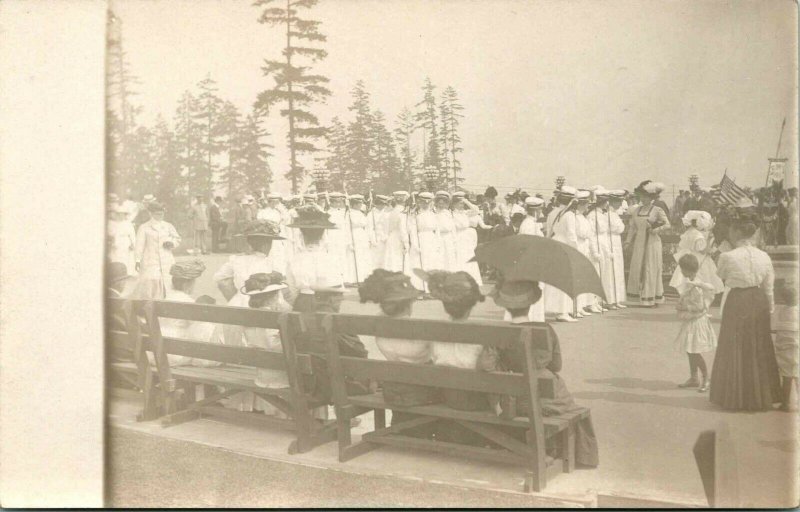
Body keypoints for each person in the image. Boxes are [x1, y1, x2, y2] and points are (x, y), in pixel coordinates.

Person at [491, 278, 599, 467]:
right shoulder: (545, 330)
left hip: (518, 401)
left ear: (506, 306)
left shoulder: (501, 333)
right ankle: (573, 454)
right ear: (532, 303)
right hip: (548, 399)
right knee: (569, 407)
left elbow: (490, 364)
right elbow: (556, 365)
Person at [710, 216, 781, 411]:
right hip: (758, 301)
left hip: (738, 300)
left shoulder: (728, 256)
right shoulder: (764, 256)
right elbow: (769, 287)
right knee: (759, 345)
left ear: (738, 233)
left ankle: (734, 396)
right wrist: (771, 307)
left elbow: (721, 277)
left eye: (732, 231)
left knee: (735, 346)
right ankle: (760, 395)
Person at [358, 270, 440, 432]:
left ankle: (403, 428)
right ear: (408, 304)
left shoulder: (378, 324)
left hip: (393, 389)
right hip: (422, 390)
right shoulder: (419, 331)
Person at [227, 272, 293, 415]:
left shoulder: (249, 317)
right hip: (284, 377)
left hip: (262, 376)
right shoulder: (277, 318)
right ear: (275, 297)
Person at [151, 260, 220, 368]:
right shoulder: (188, 302)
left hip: (154, 352)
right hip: (174, 355)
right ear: (187, 283)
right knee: (205, 327)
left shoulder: (163, 298)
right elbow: (202, 332)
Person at [285, 205, 344, 308]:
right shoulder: (332, 259)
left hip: (302, 304)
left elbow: (292, 292)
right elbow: (338, 290)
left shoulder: (295, 260)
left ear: (302, 237)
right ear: (322, 237)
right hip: (325, 307)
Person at [673, 254, 716, 392]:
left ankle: (706, 378)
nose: (681, 271)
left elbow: (700, 307)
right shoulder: (691, 282)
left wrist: (683, 307)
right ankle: (694, 378)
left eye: (682, 269)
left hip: (697, 321)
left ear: (688, 270)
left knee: (695, 351)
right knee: (689, 350)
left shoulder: (697, 285)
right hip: (691, 321)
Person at [625, 181, 669, 307]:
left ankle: (651, 297)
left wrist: (655, 229)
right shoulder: (636, 210)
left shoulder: (657, 210)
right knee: (638, 267)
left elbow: (667, 224)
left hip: (652, 242)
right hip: (639, 242)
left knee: (650, 268)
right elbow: (632, 228)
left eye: (646, 197)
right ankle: (639, 296)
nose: (643, 199)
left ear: (651, 198)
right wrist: (628, 241)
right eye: (642, 197)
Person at [669, 211, 724, 296]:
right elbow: (703, 251)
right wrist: (709, 240)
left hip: (688, 257)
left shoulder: (689, 232)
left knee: (686, 278)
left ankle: (688, 294)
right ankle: (697, 296)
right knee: (700, 278)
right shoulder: (698, 236)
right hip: (698, 259)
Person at [132, 202, 181, 299]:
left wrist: (172, 243)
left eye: (162, 214)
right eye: (158, 214)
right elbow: (139, 245)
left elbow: (177, 238)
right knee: (153, 284)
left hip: (166, 259)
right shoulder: (144, 227)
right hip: (151, 260)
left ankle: (168, 304)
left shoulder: (168, 226)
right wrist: (137, 260)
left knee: (168, 282)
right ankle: (152, 306)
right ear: (151, 213)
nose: (160, 216)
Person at [544, 186, 579, 322]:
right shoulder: (569, 215)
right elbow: (571, 235)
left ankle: (555, 308)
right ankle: (563, 311)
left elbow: (548, 231)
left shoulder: (552, 212)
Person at [586, 187, 615, 311]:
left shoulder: (602, 214)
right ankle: (592, 302)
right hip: (596, 245)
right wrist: (594, 251)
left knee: (604, 273)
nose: (607, 204)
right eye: (605, 201)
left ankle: (598, 300)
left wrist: (608, 250)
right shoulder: (592, 215)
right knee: (596, 273)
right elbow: (591, 234)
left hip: (603, 244)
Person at [408, 192, 442, 290]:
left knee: (432, 263)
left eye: (427, 203)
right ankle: (419, 289)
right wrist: (415, 244)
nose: (425, 205)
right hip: (420, 239)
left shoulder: (434, 215)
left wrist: (438, 243)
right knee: (419, 264)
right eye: (423, 202)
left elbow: (437, 230)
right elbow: (413, 231)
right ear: (419, 203)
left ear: (431, 203)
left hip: (432, 240)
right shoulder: (415, 215)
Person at [574, 190, 601, 317]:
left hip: (585, 248)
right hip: (579, 247)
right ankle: (577, 307)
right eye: (586, 205)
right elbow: (582, 233)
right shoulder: (575, 217)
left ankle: (582, 305)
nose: (587, 207)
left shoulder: (583, 217)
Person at [773, 283, 799, 411]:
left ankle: (786, 403)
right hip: (797, 347)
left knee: (786, 378)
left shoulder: (782, 311)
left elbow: (777, 329)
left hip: (785, 349)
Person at [451, 191, 487, 285]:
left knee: (469, 258)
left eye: (462, 203)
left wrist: (466, 201)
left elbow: (476, 210)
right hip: (458, 237)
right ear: (454, 203)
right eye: (460, 203)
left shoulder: (466, 213)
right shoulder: (451, 214)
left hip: (467, 239)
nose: (462, 205)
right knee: (460, 258)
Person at [343, 194, 373, 286]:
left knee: (362, 257)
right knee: (354, 257)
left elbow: (366, 225)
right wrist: (349, 242)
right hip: (354, 235)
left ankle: (362, 277)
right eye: (358, 203)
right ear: (353, 204)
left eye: (361, 203)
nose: (360, 205)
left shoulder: (361, 213)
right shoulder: (349, 214)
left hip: (362, 235)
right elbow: (347, 228)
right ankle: (353, 279)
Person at [607, 190, 627, 308]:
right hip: (611, 241)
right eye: (618, 201)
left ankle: (617, 299)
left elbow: (620, 228)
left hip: (616, 241)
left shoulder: (614, 214)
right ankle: (612, 299)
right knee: (613, 269)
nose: (620, 204)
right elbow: (618, 228)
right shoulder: (609, 214)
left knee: (618, 269)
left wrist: (620, 227)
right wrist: (621, 227)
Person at [383, 191, 410, 273]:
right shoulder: (402, 212)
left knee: (392, 260)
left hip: (391, 236)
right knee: (399, 259)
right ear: (404, 200)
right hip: (399, 238)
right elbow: (403, 229)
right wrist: (406, 242)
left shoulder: (392, 211)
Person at [107, 203, 137, 275]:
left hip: (126, 245)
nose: (120, 215)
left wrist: (133, 244)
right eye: (118, 214)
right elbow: (110, 235)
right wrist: (111, 242)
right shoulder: (112, 224)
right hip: (115, 245)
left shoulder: (128, 224)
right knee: (115, 259)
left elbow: (132, 236)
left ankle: (127, 274)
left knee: (126, 261)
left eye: (122, 214)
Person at [434, 191, 458, 272]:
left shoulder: (448, 213)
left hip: (448, 237)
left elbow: (452, 227)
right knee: (440, 256)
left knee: (449, 255)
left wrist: (454, 239)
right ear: (436, 203)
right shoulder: (434, 213)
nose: (441, 205)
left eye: (443, 203)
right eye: (439, 203)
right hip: (439, 236)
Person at [366, 194, 390, 272]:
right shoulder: (371, 214)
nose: (382, 206)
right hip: (375, 238)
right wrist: (372, 240)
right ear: (376, 204)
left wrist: (386, 236)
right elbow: (369, 228)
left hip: (385, 239)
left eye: (383, 204)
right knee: (374, 258)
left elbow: (388, 227)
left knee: (384, 258)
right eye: (380, 204)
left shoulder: (387, 214)